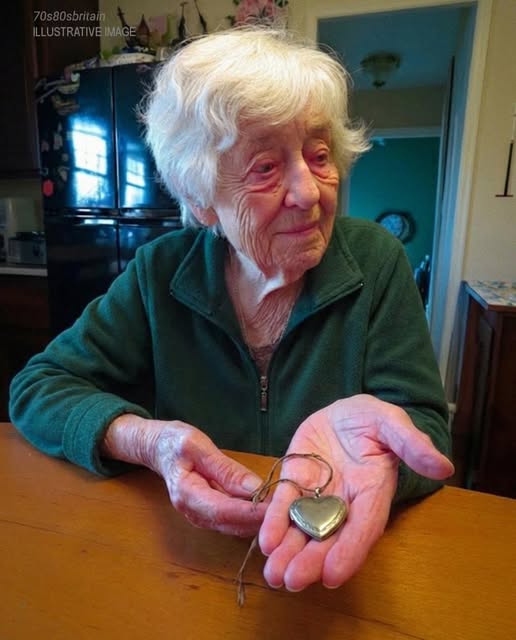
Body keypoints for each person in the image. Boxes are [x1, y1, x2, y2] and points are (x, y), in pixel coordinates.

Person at [9, 27, 454, 593]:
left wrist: (382, 459)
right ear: (202, 199)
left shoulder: (377, 261)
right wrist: (147, 441)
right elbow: (40, 386)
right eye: (265, 168)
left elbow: (427, 431)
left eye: (319, 156)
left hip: (341, 567)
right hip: (190, 562)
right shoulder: (160, 272)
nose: (309, 193)